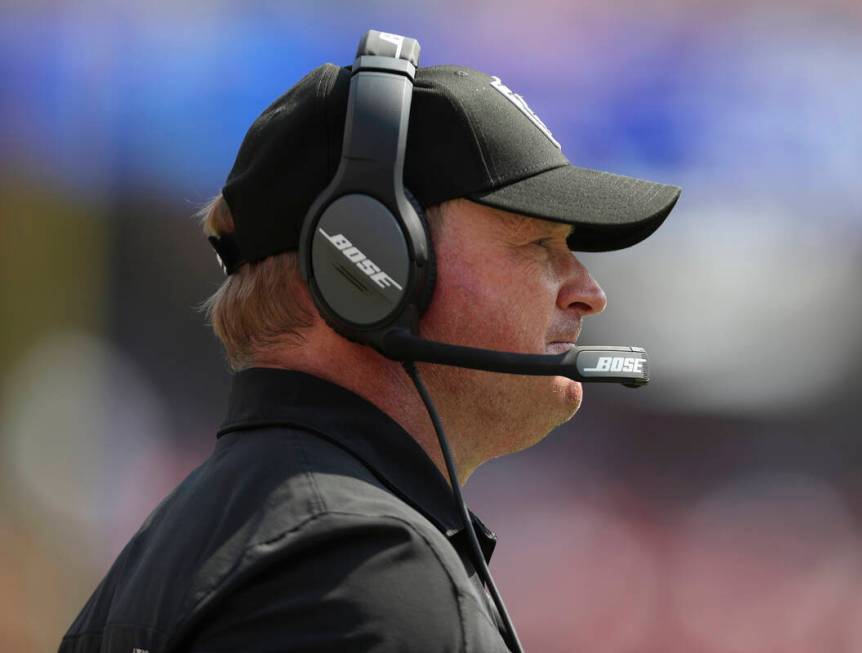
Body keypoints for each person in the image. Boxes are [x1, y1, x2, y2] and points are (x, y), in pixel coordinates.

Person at [59, 35, 680, 653]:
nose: (588, 292)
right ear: (373, 262)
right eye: (537, 243)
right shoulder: (364, 571)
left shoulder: (180, 547)